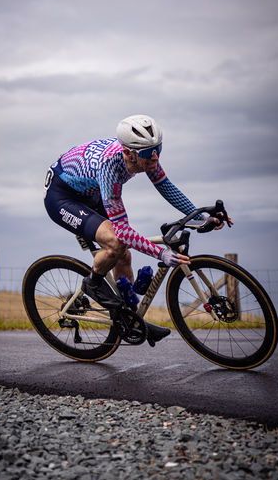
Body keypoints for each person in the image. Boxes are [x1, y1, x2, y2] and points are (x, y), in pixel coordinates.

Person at [44, 115, 226, 343]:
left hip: (91, 192)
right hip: (62, 197)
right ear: (130, 153)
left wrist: (201, 217)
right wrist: (162, 253)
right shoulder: (110, 167)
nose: (156, 156)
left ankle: (129, 320)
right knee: (116, 242)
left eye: (158, 148)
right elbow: (122, 232)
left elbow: (167, 189)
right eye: (150, 152)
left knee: (123, 255)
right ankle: (92, 283)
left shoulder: (144, 156)